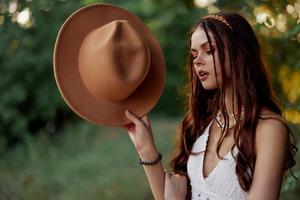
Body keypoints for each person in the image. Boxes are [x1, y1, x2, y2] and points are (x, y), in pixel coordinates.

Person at [124, 12, 297, 200]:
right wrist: (146, 148)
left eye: (209, 50)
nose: (197, 61)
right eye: (194, 54)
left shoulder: (269, 129)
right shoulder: (203, 121)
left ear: (239, 52)